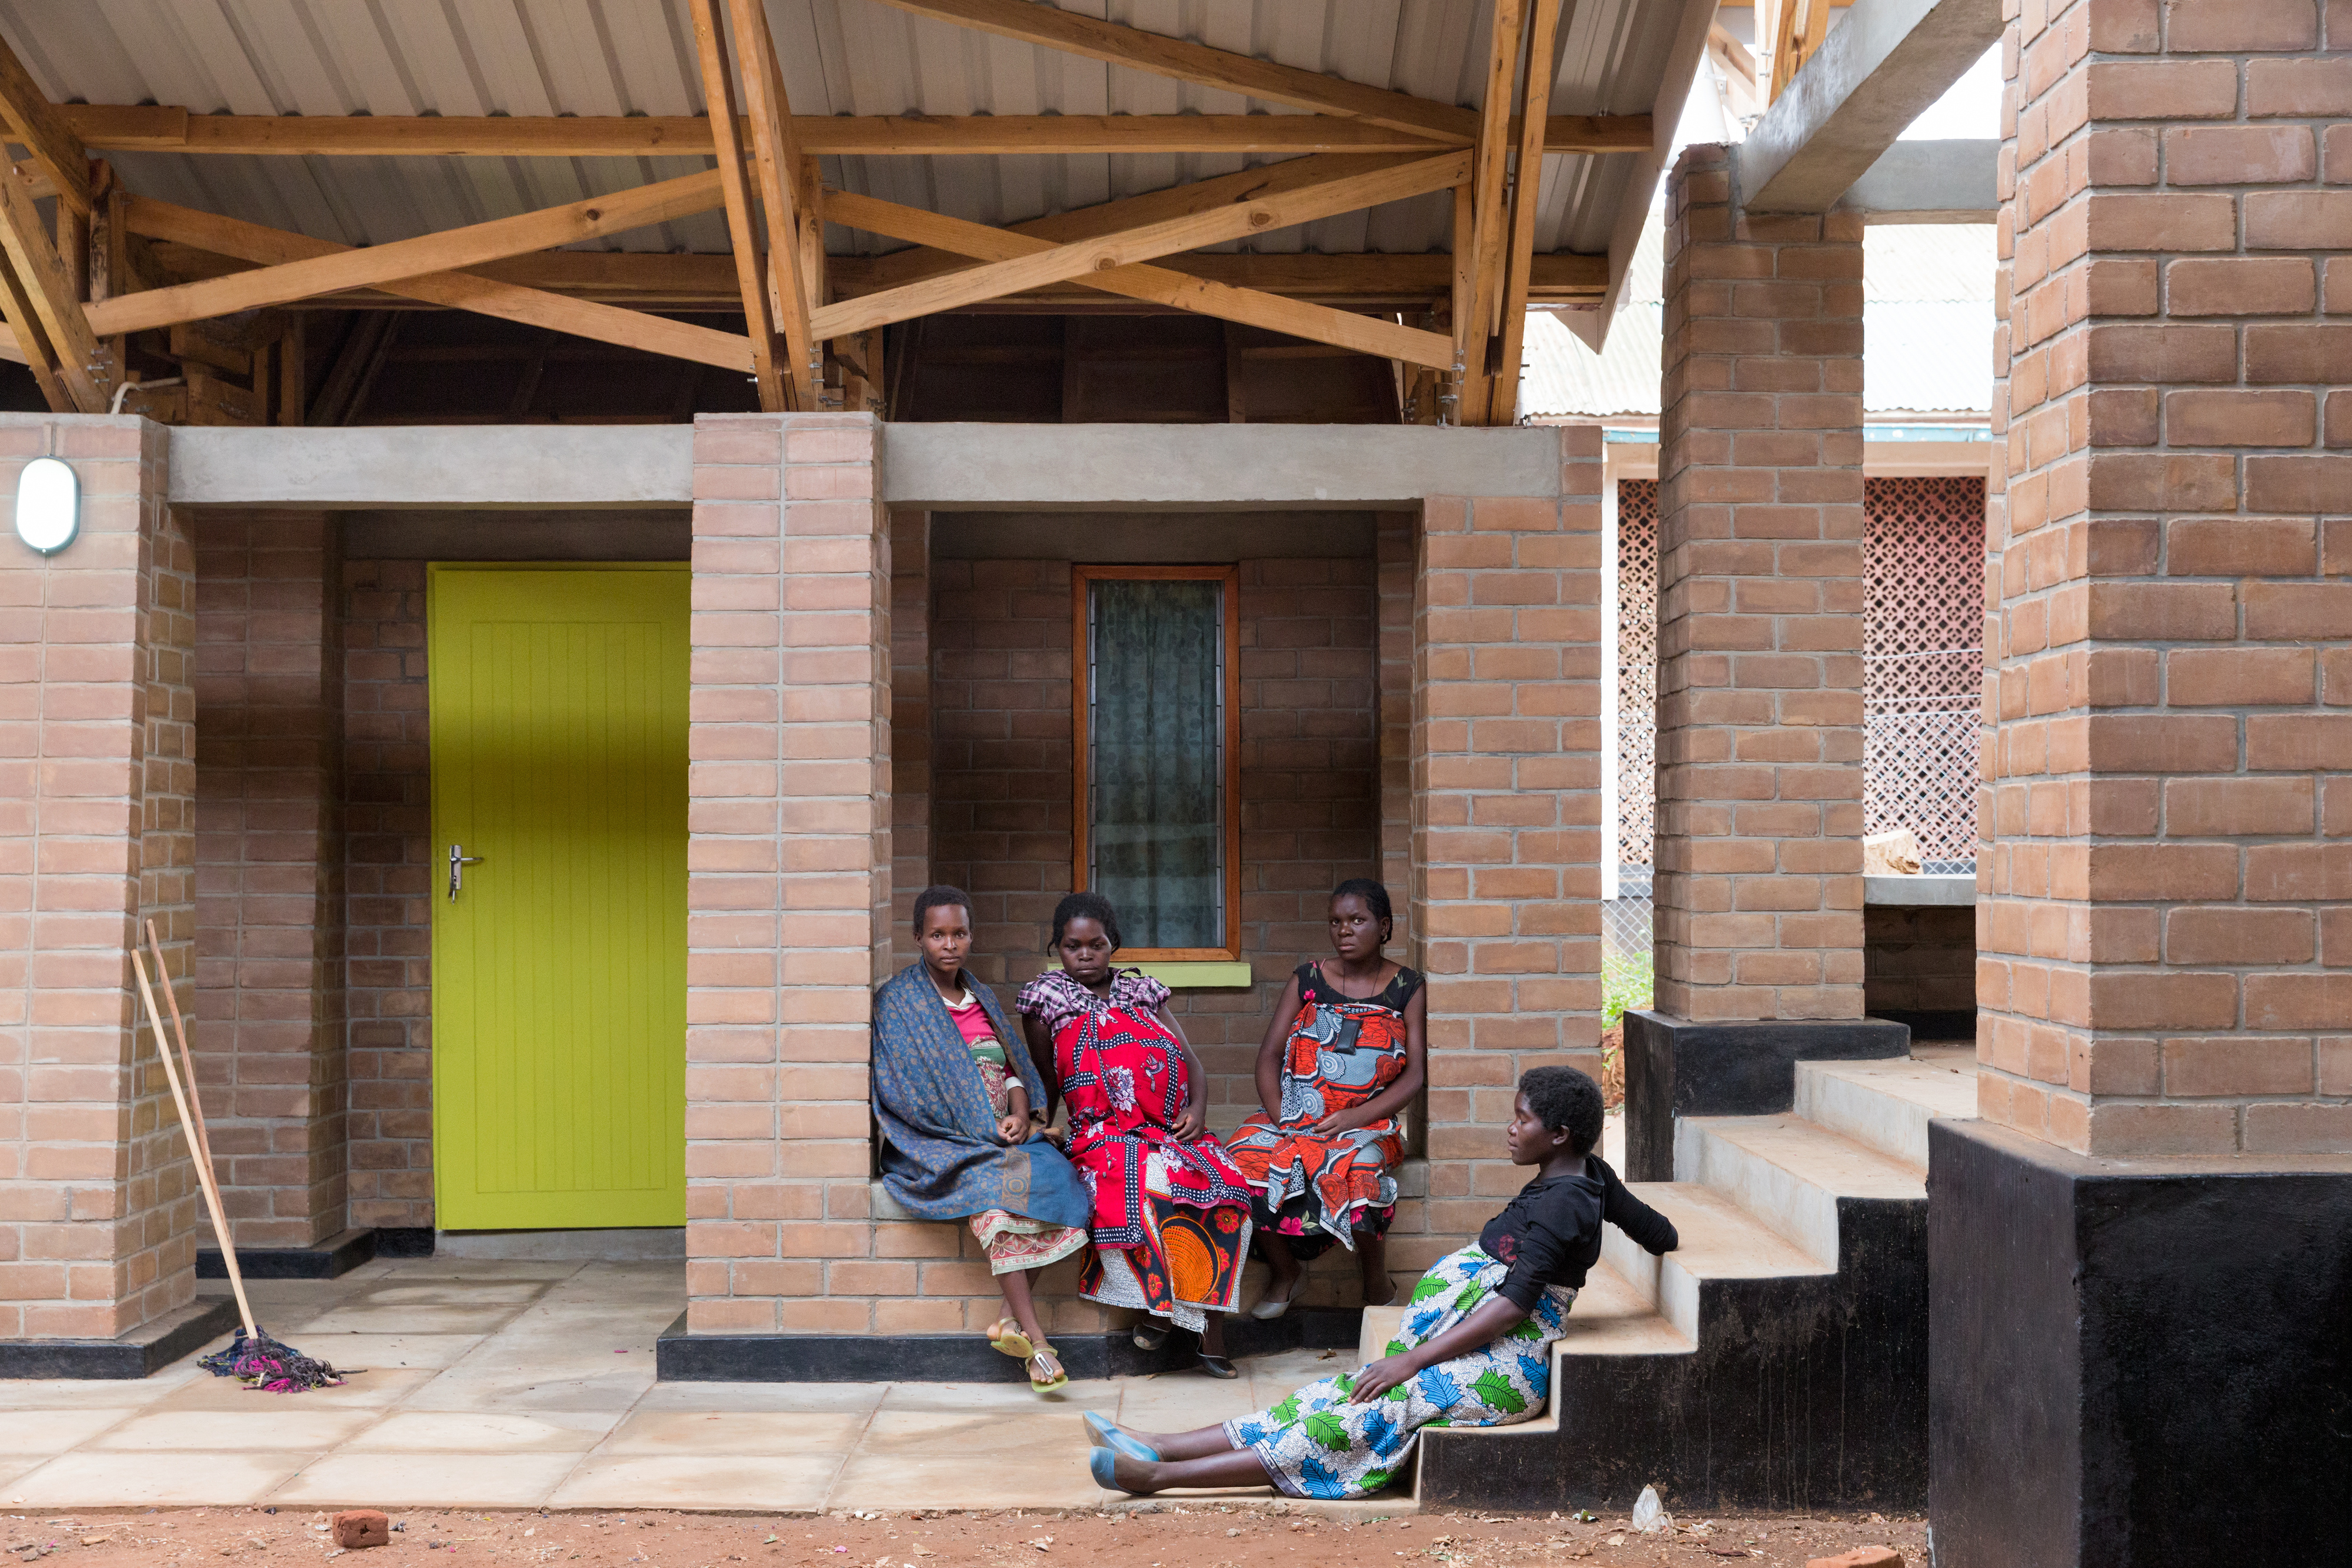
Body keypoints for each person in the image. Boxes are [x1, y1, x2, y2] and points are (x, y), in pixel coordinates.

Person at [1080, 1065, 1680, 1499]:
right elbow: (1653, 1228)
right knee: (1327, 1395)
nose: (1510, 1128)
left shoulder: (1565, 1200)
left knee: (1359, 1415)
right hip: (1471, 1345)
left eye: (1522, 1120)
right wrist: (1669, 1242)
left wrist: (1410, 1361)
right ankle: (1162, 1444)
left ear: (1560, 1135)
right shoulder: (1589, 1174)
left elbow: (1513, 1305)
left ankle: (1160, 1477)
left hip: (1502, 1366)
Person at [1017, 892, 1253, 1378]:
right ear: (1057, 948)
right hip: (1101, 1137)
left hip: (1166, 1128)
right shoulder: (1045, 999)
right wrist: (1041, 1128)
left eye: (1097, 945)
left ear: (1114, 945)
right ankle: (1185, 1322)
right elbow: (1045, 1079)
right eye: (1072, 946)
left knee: (1227, 1187)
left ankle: (1193, 1319)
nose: (1085, 955)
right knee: (1150, 1186)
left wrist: (1197, 1109)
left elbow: (1190, 1061)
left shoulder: (1141, 990)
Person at [872, 886, 1092, 1394]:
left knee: (1060, 1176)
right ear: (917, 937)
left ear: (971, 936)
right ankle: (1036, 1341)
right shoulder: (899, 1003)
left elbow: (1011, 1068)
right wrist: (981, 1129)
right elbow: (904, 1090)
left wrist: (1017, 1112)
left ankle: (1007, 1321)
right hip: (941, 1142)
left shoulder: (981, 996)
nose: (949, 944)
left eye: (959, 934)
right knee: (997, 1203)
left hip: (1002, 1136)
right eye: (937, 935)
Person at [1225, 878, 1425, 1318]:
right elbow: (1268, 1057)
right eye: (1336, 922)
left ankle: (1374, 1281)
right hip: (1294, 1115)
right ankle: (1286, 1272)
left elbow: (1414, 1076)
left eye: (1357, 920)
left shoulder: (1407, 986)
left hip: (1368, 1123)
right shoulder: (1308, 979)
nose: (1344, 930)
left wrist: (1355, 1118)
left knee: (1362, 1171)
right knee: (1238, 1161)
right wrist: (1283, 1119)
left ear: (1384, 926)